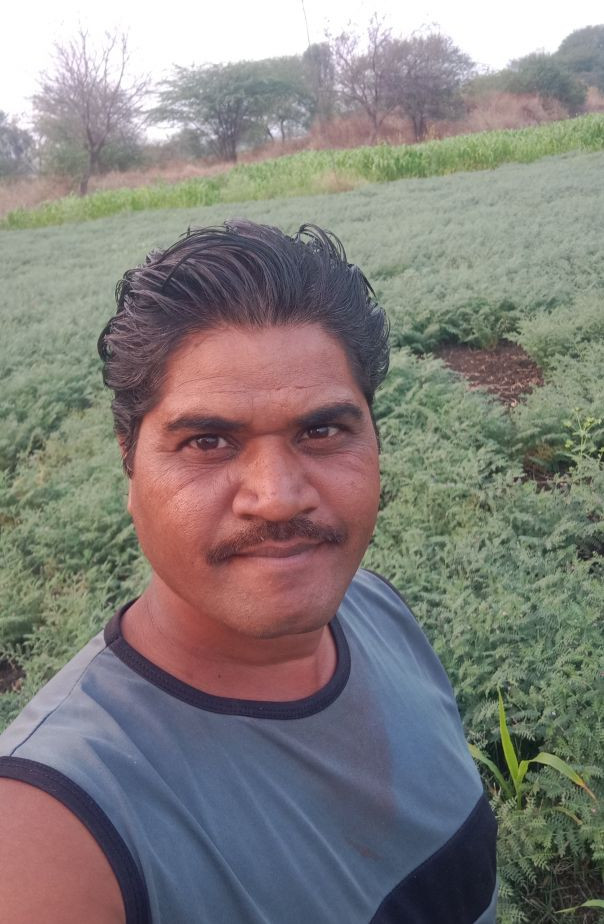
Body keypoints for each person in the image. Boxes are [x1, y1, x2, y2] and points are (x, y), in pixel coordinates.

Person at [0, 221, 497, 923]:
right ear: (129, 462)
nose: (278, 497)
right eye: (208, 441)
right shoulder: (53, 826)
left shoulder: (377, 609)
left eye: (321, 430)